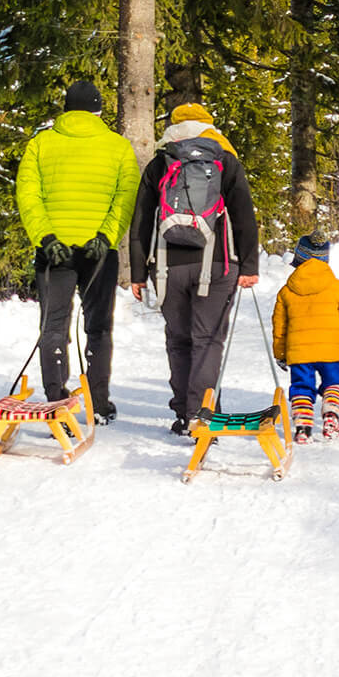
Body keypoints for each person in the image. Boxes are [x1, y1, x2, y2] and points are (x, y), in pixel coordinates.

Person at [130, 103, 260, 435]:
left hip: (168, 266)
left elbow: (142, 219)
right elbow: (243, 213)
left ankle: (185, 413)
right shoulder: (224, 158)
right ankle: (202, 414)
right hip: (217, 263)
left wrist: (137, 272)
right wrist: (249, 264)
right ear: (208, 125)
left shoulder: (162, 161)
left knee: (178, 339)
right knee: (208, 339)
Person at [15, 79, 141, 421]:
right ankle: (98, 403)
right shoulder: (118, 147)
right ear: (98, 110)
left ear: (66, 109)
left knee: (53, 324)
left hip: (54, 252)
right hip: (99, 250)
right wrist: (107, 235)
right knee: (98, 327)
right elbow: (125, 196)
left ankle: (56, 398)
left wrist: (46, 238)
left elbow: (28, 196)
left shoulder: (40, 144)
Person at [271, 233, 339, 444]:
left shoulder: (286, 292)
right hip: (330, 353)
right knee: (333, 383)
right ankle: (331, 415)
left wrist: (280, 353)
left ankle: (303, 428)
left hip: (299, 354)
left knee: (302, 387)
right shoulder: (338, 288)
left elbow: (280, 328)